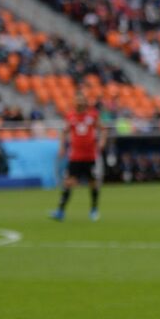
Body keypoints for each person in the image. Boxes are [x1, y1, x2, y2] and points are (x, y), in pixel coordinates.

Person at [50, 89, 105, 221]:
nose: (80, 101)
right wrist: (62, 147)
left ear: (85, 101)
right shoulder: (70, 116)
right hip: (75, 156)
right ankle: (60, 211)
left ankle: (94, 209)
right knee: (69, 182)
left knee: (93, 183)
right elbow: (64, 132)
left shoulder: (93, 115)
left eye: (82, 99)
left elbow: (102, 129)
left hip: (90, 156)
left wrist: (102, 142)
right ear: (74, 101)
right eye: (77, 99)